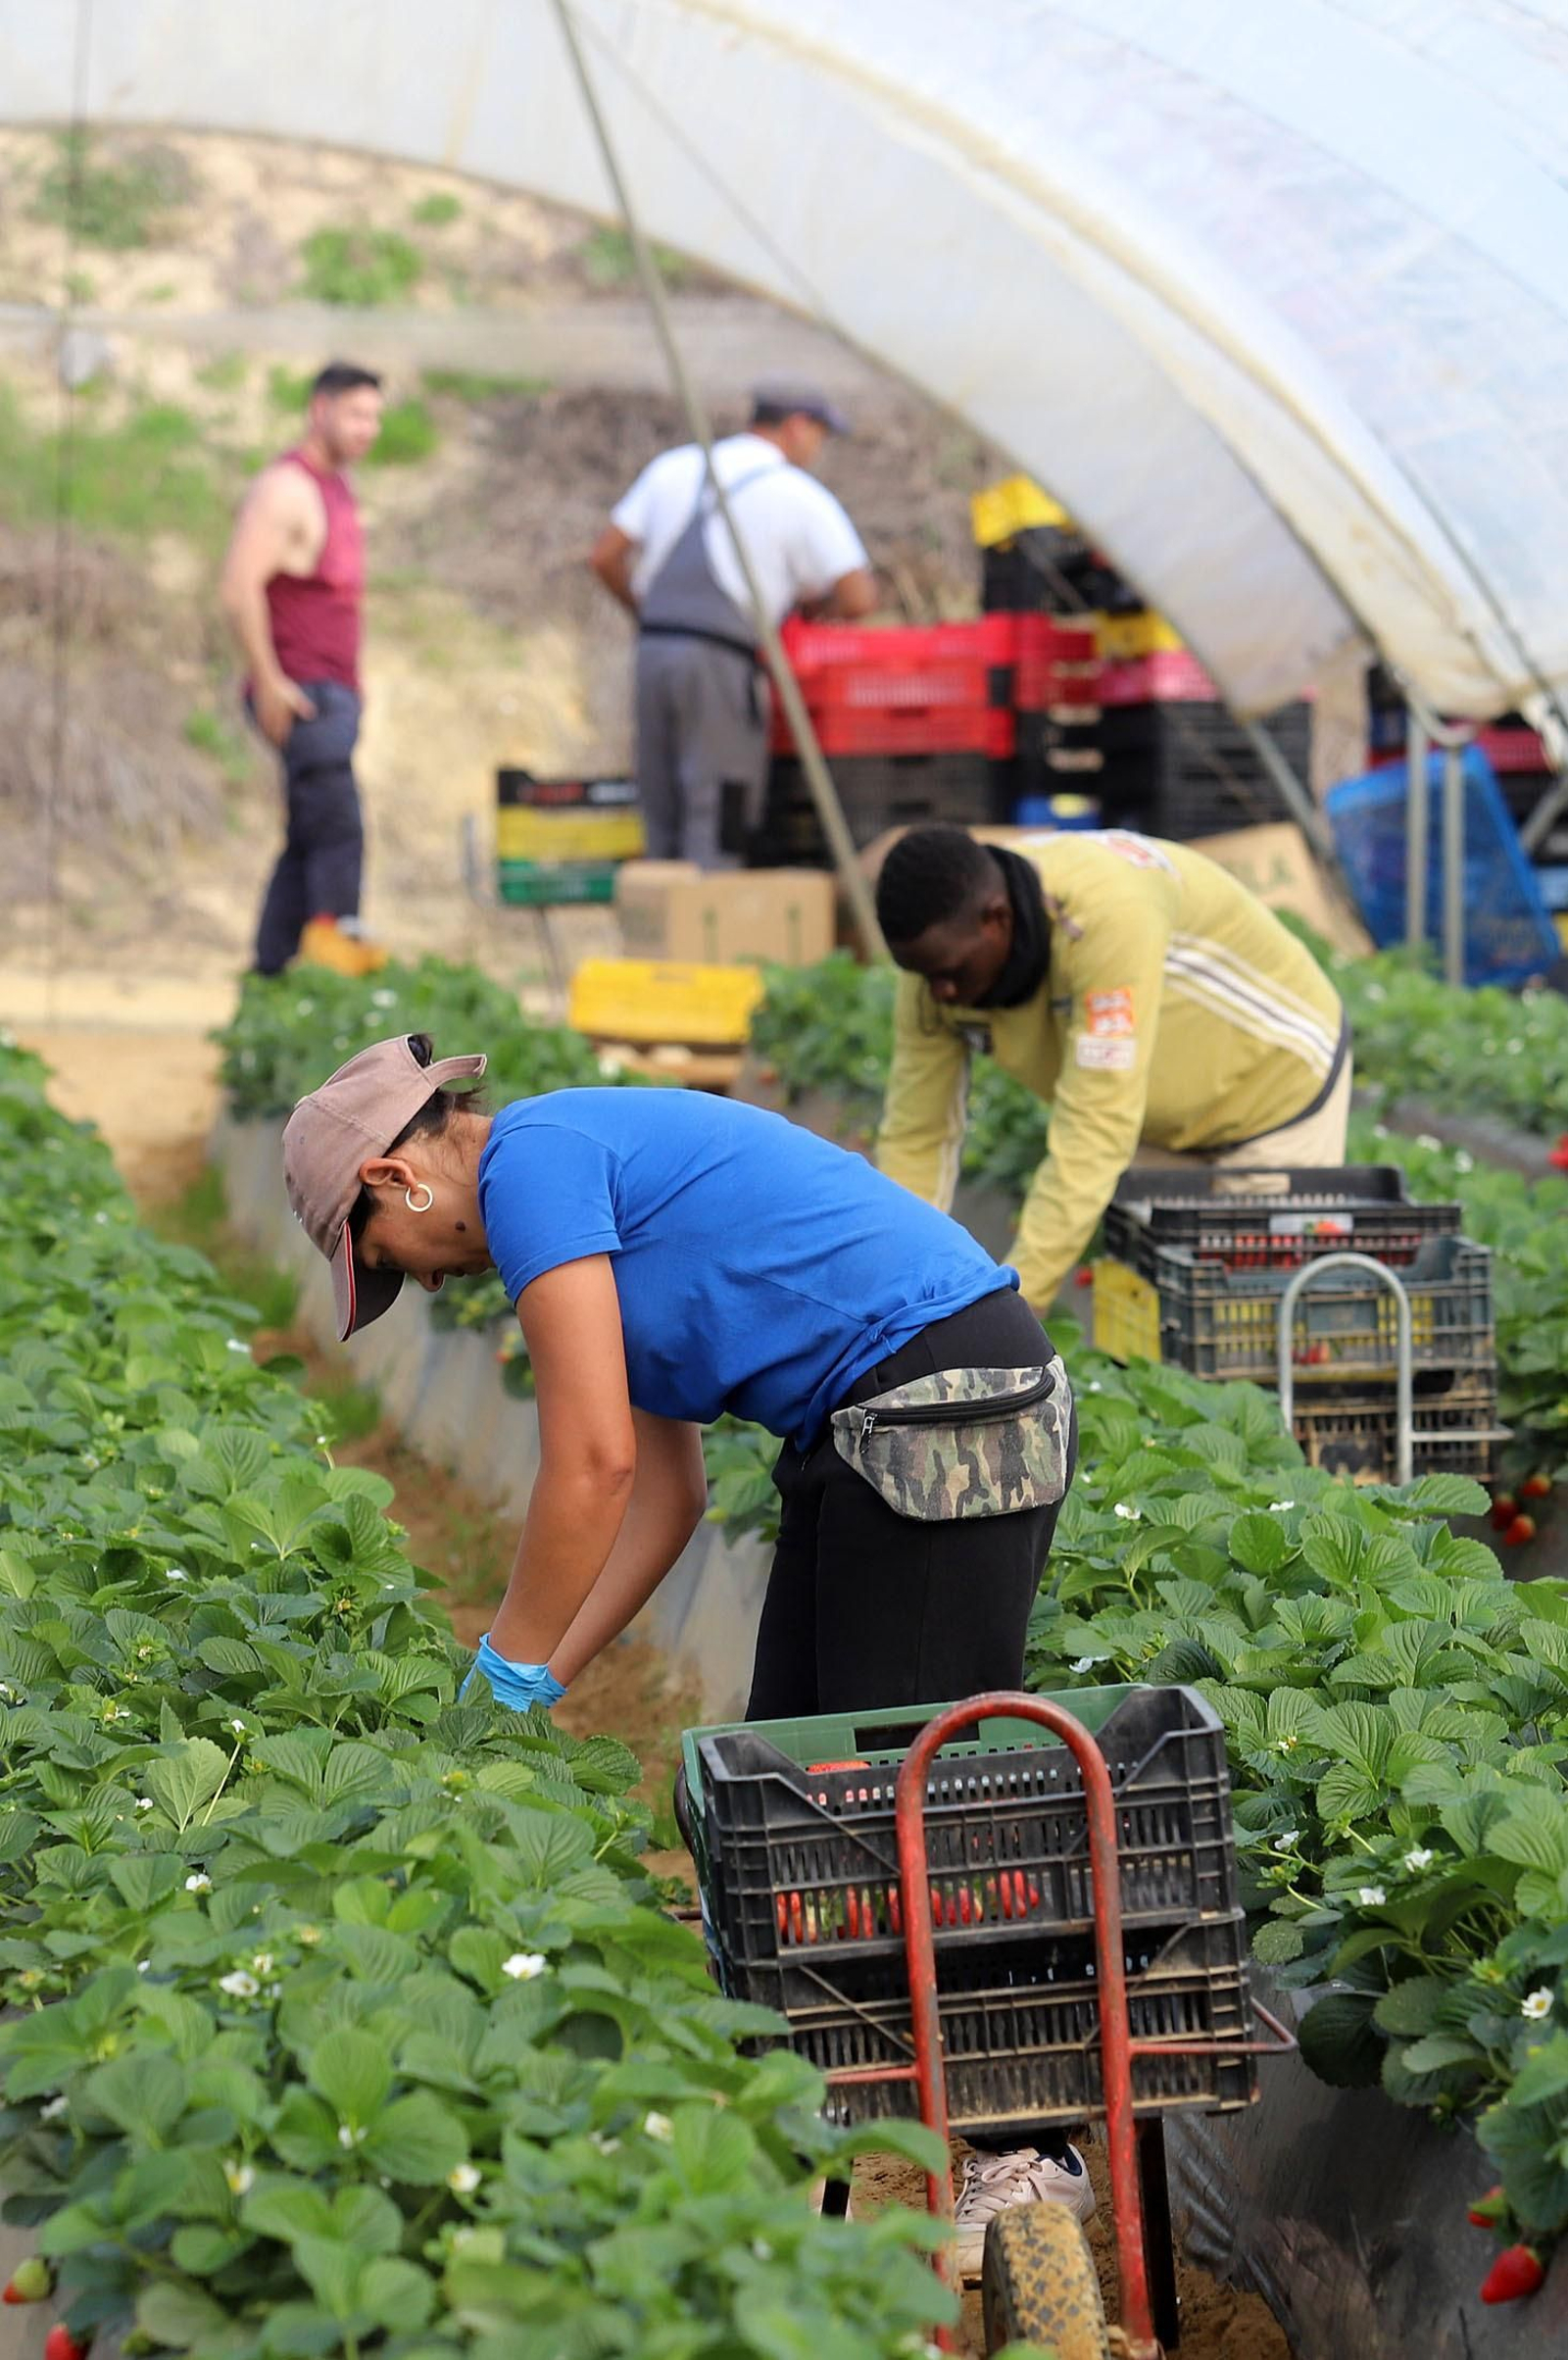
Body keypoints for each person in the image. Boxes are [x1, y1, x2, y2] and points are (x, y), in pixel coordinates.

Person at [281, 1029, 1090, 2264]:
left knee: (907, 1789)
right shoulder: (566, 1203)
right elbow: (665, 1496)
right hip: (861, 1424)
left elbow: (592, 1465)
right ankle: (795, 2124)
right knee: (777, 1784)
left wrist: (499, 1665)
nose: (418, 1284)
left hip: (943, 1402)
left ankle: (1032, 2153)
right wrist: (541, 1676)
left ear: (397, 1179)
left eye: (384, 1256)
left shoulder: (535, 1166)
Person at [874, 825, 1350, 1313]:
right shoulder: (936, 967)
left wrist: (1015, 1305)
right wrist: (894, 1294)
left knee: (1256, 1309)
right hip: (1155, 1122)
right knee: (1155, 1314)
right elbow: (918, 1134)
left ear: (997, 918)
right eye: (923, 976)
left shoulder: (1103, 917)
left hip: (1277, 1091)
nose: (940, 993)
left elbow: (1094, 1126)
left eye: (950, 973)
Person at [590, 377, 876, 869]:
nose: (817, 448)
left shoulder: (674, 467)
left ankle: (657, 902)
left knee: (660, 800)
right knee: (719, 802)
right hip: (721, 659)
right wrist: (812, 608)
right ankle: (707, 907)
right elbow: (859, 597)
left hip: (653, 651)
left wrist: (644, 613)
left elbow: (605, 557)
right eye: (819, 435)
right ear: (796, 427)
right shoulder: (797, 493)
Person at [220, 361, 385, 978]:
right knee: (339, 834)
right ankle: (332, 975)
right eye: (356, 414)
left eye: (374, 417)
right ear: (320, 410)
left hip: (333, 691)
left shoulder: (336, 488)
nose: (368, 428)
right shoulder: (286, 488)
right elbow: (239, 587)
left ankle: (273, 977)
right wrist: (268, 681)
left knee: (309, 839)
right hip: (302, 692)